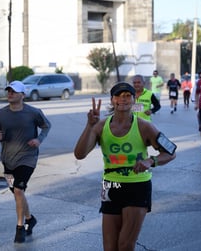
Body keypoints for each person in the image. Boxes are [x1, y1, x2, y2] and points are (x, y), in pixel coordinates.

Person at [74, 82, 177, 251]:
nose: (123, 99)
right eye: (118, 95)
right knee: (109, 247)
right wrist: (90, 126)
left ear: (134, 100)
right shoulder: (101, 126)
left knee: (125, 245)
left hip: (137, 187)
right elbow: (79, 154)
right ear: (112, 100)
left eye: (127, 95)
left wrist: (151, 161)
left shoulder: (144, 126)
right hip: (110, 185)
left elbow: (171, 152)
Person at [0, 81, 51, 243]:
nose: (10, 94)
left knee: (19, 190)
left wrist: (39, 139)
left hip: (27, 158)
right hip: (8, 159)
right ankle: (30, 218)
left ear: (23, 95)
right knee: (17, 192)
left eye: (14, 91)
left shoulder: (33, 112)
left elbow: (46, 126)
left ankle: (20, 228)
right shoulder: (0, 114)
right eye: (8, 91)